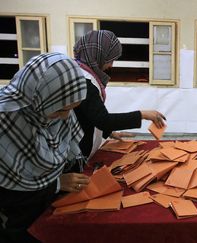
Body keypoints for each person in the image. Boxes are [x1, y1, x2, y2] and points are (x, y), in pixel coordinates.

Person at [0, 53, 88, 242]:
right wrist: (56, 184)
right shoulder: (5, 121)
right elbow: (11, 192)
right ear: (39, 98)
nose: (66, 117)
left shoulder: (55, 106)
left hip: (46, 206)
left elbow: (69, 151)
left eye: (71, 108)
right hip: (18, 218)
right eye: (60, 110)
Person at [72, 30, 166, 159]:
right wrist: (142, 114)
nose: (111, 65)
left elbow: (88, 115)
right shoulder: (85, 82)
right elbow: (102, 119)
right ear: (98, 55)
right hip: (78, 153)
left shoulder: (82, 73)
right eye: (109, 60)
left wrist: (108, 132)